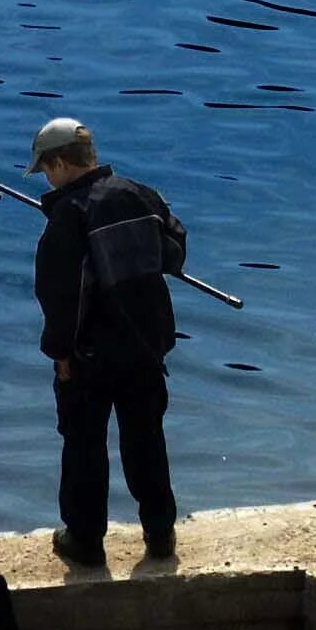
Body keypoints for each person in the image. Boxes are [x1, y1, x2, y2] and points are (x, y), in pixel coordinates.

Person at [29, 116, 187, 565]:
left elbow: (59, 295)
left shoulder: (70, 215)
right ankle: (160, 534)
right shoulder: (139, 194)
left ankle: (85, 541)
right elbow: (175, 250)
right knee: (146, 440)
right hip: (145, 345)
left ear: (60, 163)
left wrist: (60, 353)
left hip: (90, 356)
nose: (46, 177)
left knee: (83, 446)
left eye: (46, 169)